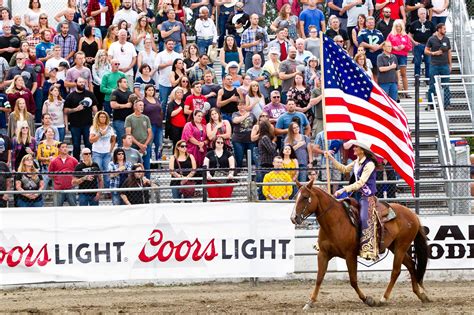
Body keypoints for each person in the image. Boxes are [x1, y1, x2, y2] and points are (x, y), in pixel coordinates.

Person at [327, 139, 379, 261]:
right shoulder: (357, 162)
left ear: (362, 150)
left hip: (367, 195)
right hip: (355, 194)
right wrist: (331, 158)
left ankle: (368, 248)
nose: (354, 149)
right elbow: (344, 169)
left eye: (356, 147)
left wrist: (343, 189)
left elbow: (361, 182)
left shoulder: (369, 164)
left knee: (364, 217)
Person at [64, 77, 98, 160]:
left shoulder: (90, 94)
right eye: (80, 82)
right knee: (76, 145)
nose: (82, 84)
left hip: (88, 124)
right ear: (76, 83)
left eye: (83, 82)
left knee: (89, 144)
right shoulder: (71, 96)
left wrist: (96, 122)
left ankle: (89, 162)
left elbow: (95, 108)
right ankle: (76, 162)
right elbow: (65, 110)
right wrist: (75, 109)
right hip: (75, 125)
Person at [426, 23, 451, 109]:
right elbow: (426, 51)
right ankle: (431, 104)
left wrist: (450, 65)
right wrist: (433, 53)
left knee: (446, 85)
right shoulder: (431, 39)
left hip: (444, 65)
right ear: (439, 29)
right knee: (432, 85)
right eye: (444, 29)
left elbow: (449, 52)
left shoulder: (447, 39)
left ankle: (446, 104)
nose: (445, 30)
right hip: (434, 65)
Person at [203, 136, 235, 202]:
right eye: (218, 142)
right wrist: (208, 174)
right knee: (214, 200)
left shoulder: (228, 154)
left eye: (222, 142)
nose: (220, 144)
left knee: (225, 200)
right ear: (214, 143)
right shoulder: (209, 154)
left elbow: (232, 166)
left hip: (226, 180)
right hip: (212, 179)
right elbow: (205, 166)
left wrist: (231, 174)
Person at [125, 99, 152, 175]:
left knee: (146, 168)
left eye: (143, 105)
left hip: (145, 146)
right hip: (134, 147)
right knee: (133, 167)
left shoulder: (146, 118)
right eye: (140, 105)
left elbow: (150, 133)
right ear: (135, 106)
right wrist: (140, 145)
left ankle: (147, 184)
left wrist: (144, 145)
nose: (142, 107)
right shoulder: (129, 118)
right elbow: (128, 134)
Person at [89, 110, 115, 187]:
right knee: (97, 172)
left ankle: (108, 190)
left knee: (107, 172)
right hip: (97, 152)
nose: (103, 118)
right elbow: (91, 140)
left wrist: (111, 150)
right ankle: (98, 190)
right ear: (98, 118)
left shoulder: (110, 128)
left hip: (107, 153)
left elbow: (113, 140)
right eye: (101, 117)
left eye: (104, 117)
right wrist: (100, 134)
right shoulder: (94, 128)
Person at [387, 20, 412, 98]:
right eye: (396, 26)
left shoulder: (405, 36)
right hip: (393, 56)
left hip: (403, 56)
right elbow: (386, 45)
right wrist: (393, 48)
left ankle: (406, 92)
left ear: (402, 27)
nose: (398, 28)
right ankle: (395, 93)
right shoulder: (391, 35)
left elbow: (410, 47)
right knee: (394, 74)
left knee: (403, 74)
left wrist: (404, 47)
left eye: (399, 26)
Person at [409, 8, 435, 82]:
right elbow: (409, 35)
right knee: (417, 62)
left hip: (428, 46)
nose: (423, 15)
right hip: (418, 45)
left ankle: (428, 80)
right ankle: (417, 80)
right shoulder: (414, 24)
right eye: (421, 13)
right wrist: (414, 42)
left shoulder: (430, 24)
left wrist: (431, 43)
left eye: (424, 13)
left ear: (426, 14)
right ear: (418, 15)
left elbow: (434, 34)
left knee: (428, 62)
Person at [48, 142, 78, 206]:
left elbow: (78, 173)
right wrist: (58, 180)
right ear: (59, 149)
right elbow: (50, 174)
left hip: (71, 187)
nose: (65, 148)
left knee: (74, 207)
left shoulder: (74, 160)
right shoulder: (54, 161)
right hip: (58, 189)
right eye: (63, 147)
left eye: (66, 147)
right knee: (57, 208)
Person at [155, 39, 181, 108]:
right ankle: (162, 118)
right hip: (164, 82)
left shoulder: (177, 55)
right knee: (163, 102)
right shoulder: (160, 55)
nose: (171, 45)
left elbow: (182, 67)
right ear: (165, 45)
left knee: (175, 102)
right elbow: (156, 66)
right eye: (169, 44)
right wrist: (167, 64)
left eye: (172, 44)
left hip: (175, 82)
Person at [231, 100, 257, 168]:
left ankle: (252, 175)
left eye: (243, 105)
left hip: (250, 140)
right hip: (238, 140)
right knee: (239, 158)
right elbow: (235, 120)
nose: (242, 106)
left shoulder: (252, 115)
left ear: (246, 106)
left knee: (252, 159)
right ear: (237, 106)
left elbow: (256, 124)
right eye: (240, 105)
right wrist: (245, 115)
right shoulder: (235, 114)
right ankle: (238, 173)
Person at [358, 16, 384, 81]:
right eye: (369, 22)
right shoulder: (362, 32)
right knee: (367, 73)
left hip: (377, 56)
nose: (371, 24)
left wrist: (377, 47)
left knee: (376, 75)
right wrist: (371, 46)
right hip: (366, 56)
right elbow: (361, 43)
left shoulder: (379, 32)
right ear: (366, 23)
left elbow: (384, 43)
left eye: (372, 22)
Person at [256, 119, 277, 199]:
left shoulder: (265, 137)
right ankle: (261, 200)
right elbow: (271, 150)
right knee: (264, 185)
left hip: (267, 164)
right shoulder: (265, 138)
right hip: (266, 165)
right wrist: (274, 143)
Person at [110, 77, 133, 147]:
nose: (126, 83)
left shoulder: (130, 92)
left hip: (129, 120)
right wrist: (125, 105)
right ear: (119, 83)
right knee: (122, 140)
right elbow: (112, 105)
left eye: (127, 82)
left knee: (129, 141)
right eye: (124, 82)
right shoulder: (115, 93)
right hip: (119, 120)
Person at [143, 84, 163, 161]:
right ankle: (149, 160)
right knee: (150, 144)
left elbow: (161, 111)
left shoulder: (157, 100)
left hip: (159, 125)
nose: (151, 91)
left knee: (159, 144)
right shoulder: (143, 101)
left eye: (152, 90)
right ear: (145, 91)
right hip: (149, 125)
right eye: (149, 90)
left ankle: (159, 160)